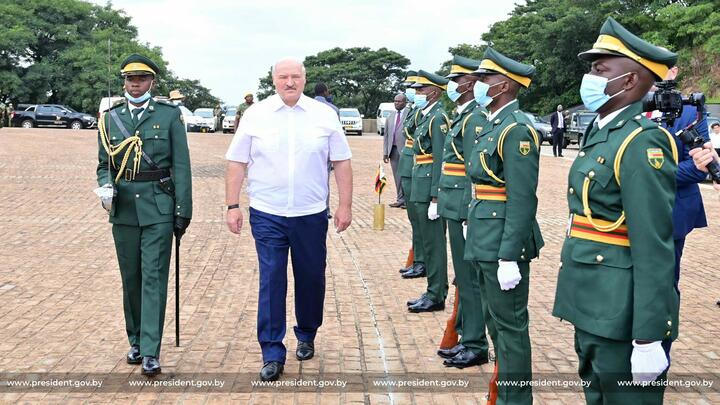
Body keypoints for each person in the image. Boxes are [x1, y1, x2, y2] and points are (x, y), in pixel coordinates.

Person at [552, 17, 679, 404]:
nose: (590, 77)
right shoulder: (603, 131)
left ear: (628, 82)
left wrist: (649, 334)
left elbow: (654, 246)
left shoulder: (641, 142)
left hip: (619, 308)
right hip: (590, 298)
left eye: (600, 70)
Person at [224, 58, 353, 382]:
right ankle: (271, 351)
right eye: (284, 77)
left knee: (311, 277)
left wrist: (345, 206)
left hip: (310, 213)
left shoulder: (324, 116)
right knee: (271, 280)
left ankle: (307, 332)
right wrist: (232, 205)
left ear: (305, 80)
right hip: (268, 212)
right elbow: (237, 162)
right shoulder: (256, 115)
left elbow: (341, 162)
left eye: (296, 76)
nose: (290, 82)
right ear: (274, 80)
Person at [96, 54, 193, 376]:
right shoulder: (110, 118)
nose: (134, 84)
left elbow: (181, 166)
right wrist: (105, 187)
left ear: (152, 82)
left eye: (141, 79)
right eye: (129, 79)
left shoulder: (168, 116)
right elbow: (103, 164)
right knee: (131, 279)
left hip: (158, 209)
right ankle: (135, 340)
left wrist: (183, 211)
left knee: (153, 278)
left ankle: (151, 350)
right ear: (124, 82)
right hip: (123, 209)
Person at [463, 47, 543, 404]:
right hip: (484, 231)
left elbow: (523, 198)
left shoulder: (517, 129)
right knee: (495, 322)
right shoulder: (493, 122)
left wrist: (510, 254)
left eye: (485, 79)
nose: (478, 85)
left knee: (509, 327)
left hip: (502, 242)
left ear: (506, 85)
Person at [436, 55, 490, 368]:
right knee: (464, 278)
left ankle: (474, 342)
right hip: (454, 205)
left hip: (463, 207)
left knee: (469, 279)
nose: (452, 86)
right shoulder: (462, 116)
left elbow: (474, 170)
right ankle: (468, 336)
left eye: (456, 81)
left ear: (469, 84)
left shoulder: (474, 118)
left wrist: (471, 212)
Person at [405, 70, 450, 313]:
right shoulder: (426, 116)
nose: (417, 93)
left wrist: (436, 195)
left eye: (421, 90)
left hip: (428, 187)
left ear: (433, 92)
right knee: (428, 242)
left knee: (434, 244)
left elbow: (440, 158)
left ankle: (437, 293)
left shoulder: (437, 118)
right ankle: (432, 289)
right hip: (419, 182)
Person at [398, 71, 428, 278]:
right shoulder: (413, 111)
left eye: (416, 88)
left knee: (421, 221)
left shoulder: (423, 113)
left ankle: (422, 260)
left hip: (418, 167)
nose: (412, 91)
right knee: (414, 220)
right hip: (409, 165)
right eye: (410, 88)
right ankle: (418, 258)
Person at [383, 93, 408, 208]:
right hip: (392, 151)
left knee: (406, 176)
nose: (396, 103)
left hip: (406, 150)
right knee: (397, 176)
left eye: (399, 101)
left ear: (405, 102)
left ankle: (408, 201)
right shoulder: (390, 116)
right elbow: (386, 135)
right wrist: (385, 153)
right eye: (395, 101)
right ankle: (400, 199)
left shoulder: (410, 114)